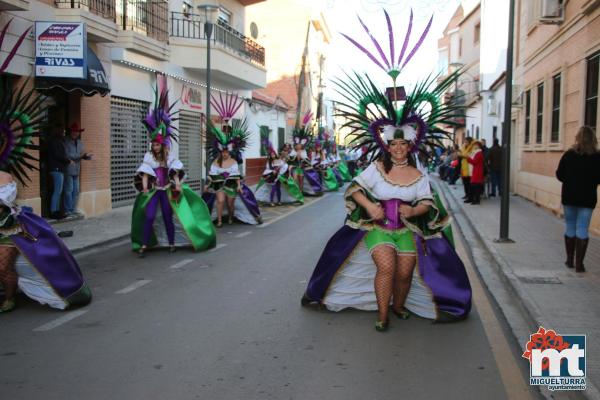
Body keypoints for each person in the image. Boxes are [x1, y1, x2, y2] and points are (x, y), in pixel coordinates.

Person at [301, 74, 472, 331]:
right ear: (387, 146)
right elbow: (355, 189)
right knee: (387, 266)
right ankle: (383, 315)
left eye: (404, 144)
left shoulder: (418, 174)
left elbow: (427, 202)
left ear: (410, 146)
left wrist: (414, 209)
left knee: (404, 273)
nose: (399, 148)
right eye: (395, 144)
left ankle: (398, 306)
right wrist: (370, 206)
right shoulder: (376, 168)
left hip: (407, 230)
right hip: (377, 228)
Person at [0, 35, 92, 312]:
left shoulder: (5, 178)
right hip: (63, 169)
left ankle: (8, 297)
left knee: (4, 263)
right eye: (71, 131)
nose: (72, 134)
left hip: (5, 226)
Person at [131, 87, 216, 257]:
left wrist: (177, 185)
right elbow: (146, 173)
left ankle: (171, 243)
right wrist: (146, 188)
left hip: (168, 190)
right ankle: (144, 245)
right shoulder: (149, 157)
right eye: (153, 144)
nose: (154, 147)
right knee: (148, 217)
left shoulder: (170, 157)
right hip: (154, 192)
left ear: (162, 145)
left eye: (156, 144)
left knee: (169, 216)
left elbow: (175, 173)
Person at [556, 126, 600, 273]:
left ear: (577, 137)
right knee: (582, 227)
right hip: (588, 198)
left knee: (570, 226)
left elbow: (559, 174)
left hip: (569, 196)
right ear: (593, 139)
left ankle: (569, 260)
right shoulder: (597, 156)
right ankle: (579, 264)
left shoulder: (569, 155)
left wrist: (570, 180)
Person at [255, 141, 303, 205]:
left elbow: (286, 167)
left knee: (282, 188)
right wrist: (274, 172)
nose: (285, 152)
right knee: (273, 189)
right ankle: (271, 201)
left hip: (281, 176)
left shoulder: (284, 160)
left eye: (287, 149)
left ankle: (281, 201)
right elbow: (274, 168)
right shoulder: (274, 161)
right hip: (274, 177)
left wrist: (288, 173)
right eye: (284, 150)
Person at [64, 122, 92, 216]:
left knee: (76, 190)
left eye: (77, 132)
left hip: (77, 169)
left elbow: (82, 155)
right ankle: (68, 210)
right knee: (69, 190)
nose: (76, 133)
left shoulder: (80, 142)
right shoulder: (66, 141)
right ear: (71, 132)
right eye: (74, 131)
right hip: (68, 169)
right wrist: (81, 156)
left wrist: (87, 156)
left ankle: (73, 209)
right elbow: (68, 155)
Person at [47, 130, 69, 219]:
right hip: (57, 169)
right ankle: (54, 212)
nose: (64, 133)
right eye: (63, 132)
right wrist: (68, 160)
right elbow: (58, 155)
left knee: (58, 191)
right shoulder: (55, 142)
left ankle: (56, 211)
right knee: (57, 191)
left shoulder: (55, 141)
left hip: (56, 169)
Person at [459, 137, 475, 202]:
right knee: (465, 183)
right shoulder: (463, 147)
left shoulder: (471, 148)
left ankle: (469, 196)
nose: (465, 143)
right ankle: (466, 194)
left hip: (469, 167)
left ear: (469, 142)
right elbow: (462, 154)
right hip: (464, 167)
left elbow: (468, 156)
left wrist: (462, 155)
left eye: (466, 142)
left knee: (469, 183)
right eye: (464, 142)